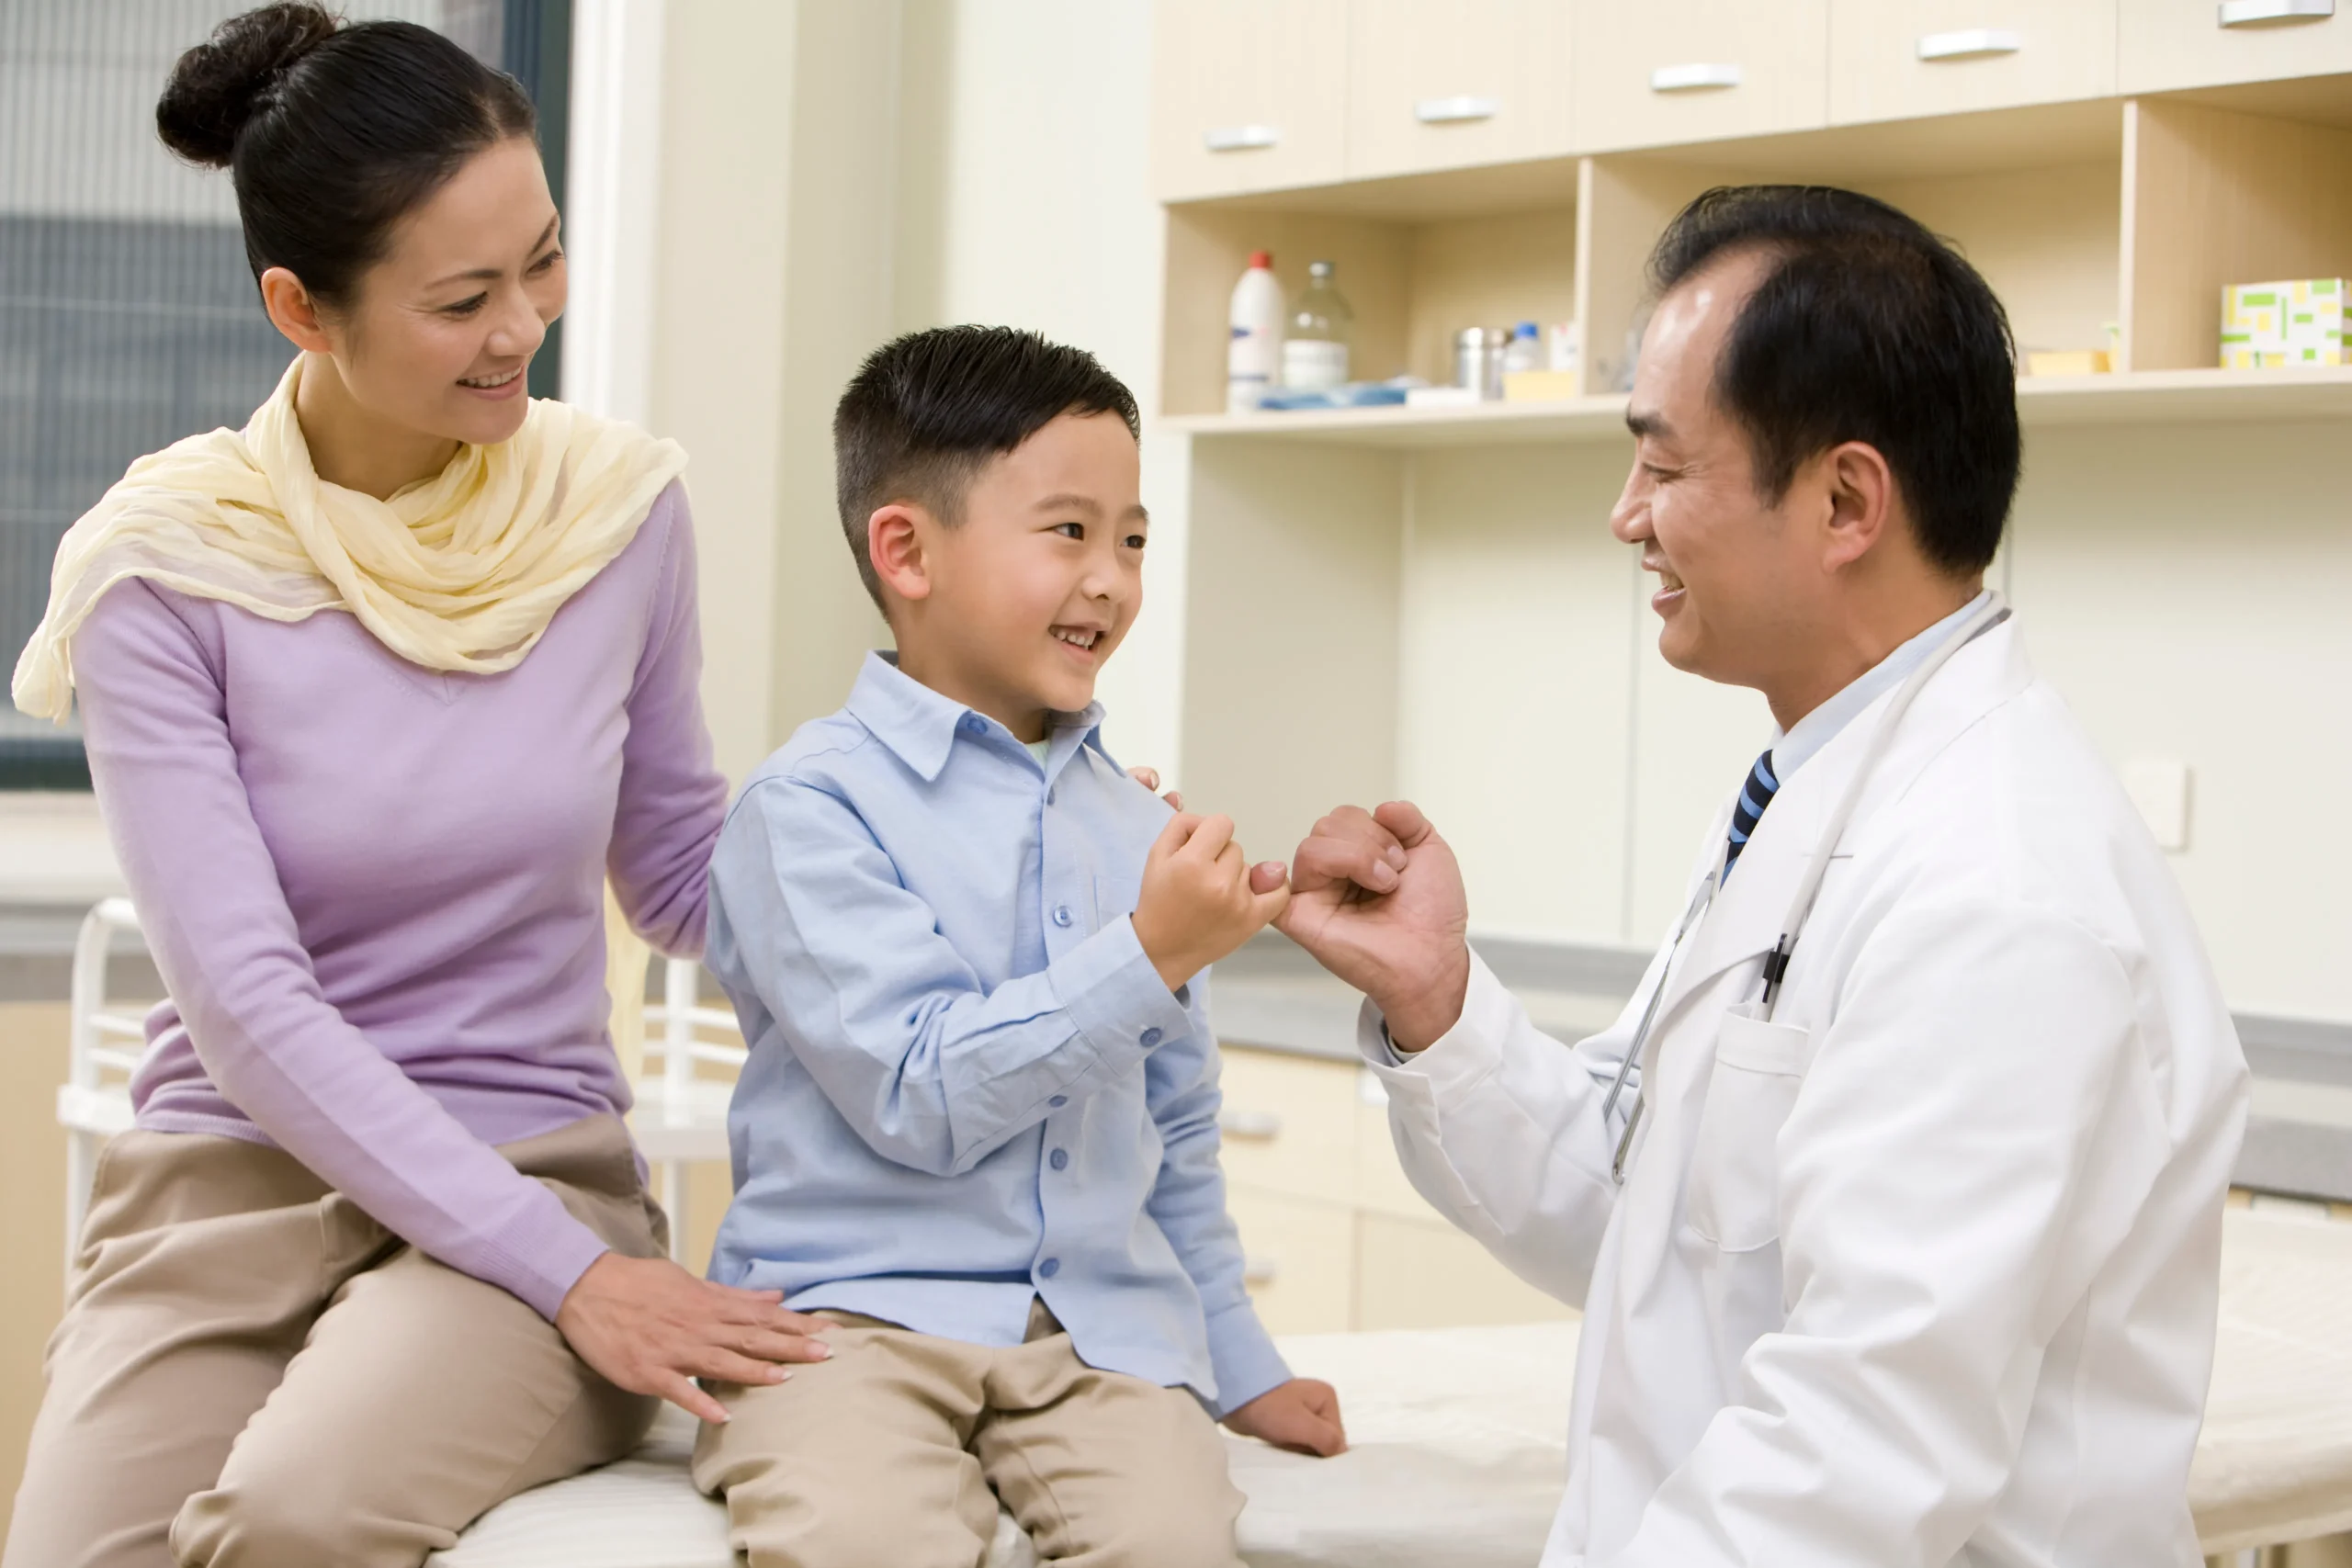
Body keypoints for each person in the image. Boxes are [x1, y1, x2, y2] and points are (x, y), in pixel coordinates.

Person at [1276, 186, 2250, 1566]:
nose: (1627, 518)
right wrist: (1439, 1000)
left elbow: (1856, 1443)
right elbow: (1656, 1227)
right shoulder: (1820, 792)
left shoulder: (1997, 889)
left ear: (1847, 497)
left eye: (1664, 469)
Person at [3, 8, 827, 1565]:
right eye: (464, 298)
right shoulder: (164, 571)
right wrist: (576, 1282)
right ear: (301, 308)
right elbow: (247, 1005)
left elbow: (677, 871)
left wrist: (971, 856)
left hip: (532, 1174)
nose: (526, 325)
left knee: (289, 1518)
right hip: (232, 1179)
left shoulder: (613, 513)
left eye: (545, 261)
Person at [695, 325, 1346, 1568]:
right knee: (857, 1538)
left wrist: (1237, 1354)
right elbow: (919, 1090)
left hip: (1096, 1331)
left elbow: (1175, 1126)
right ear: (907, 550)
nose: (1110, 577)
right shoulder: (810, 808)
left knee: (1174, 1542)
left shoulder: (1141, 825)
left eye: (1134, 538)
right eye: (1068, 532)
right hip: (846, 1318)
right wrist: (1148, 953)